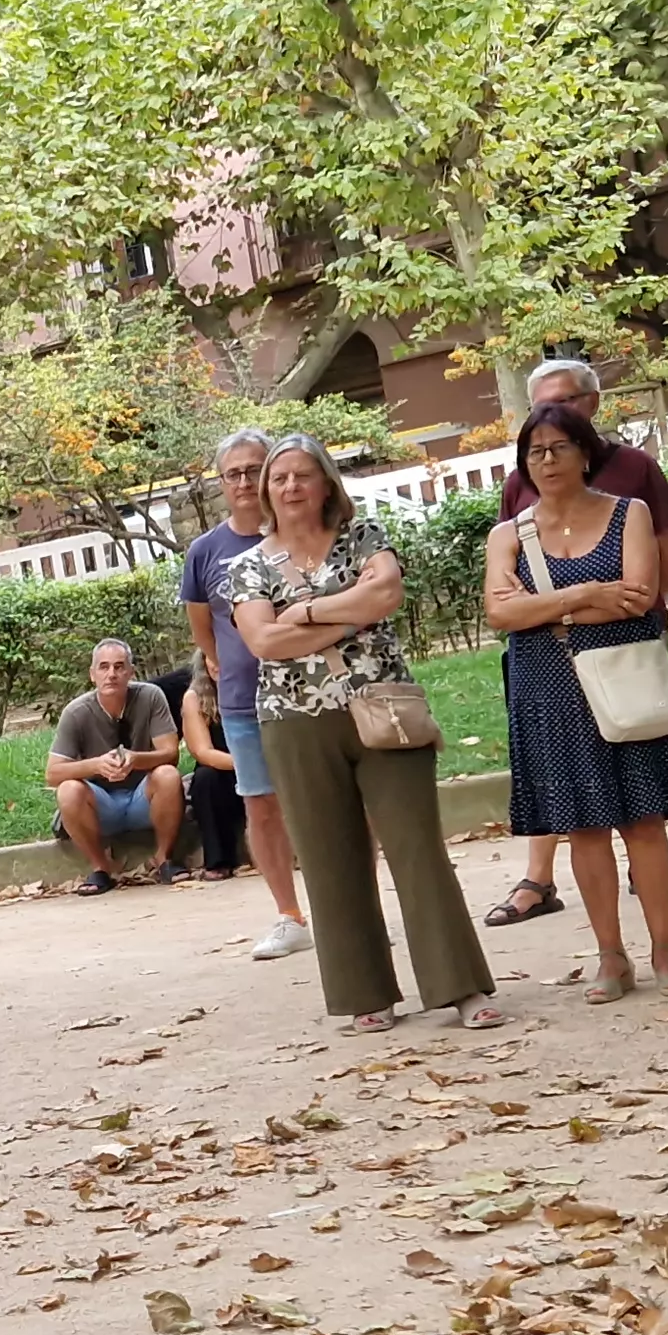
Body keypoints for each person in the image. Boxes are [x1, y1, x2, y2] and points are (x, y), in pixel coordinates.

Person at [226, 436, 507, 1032]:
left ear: (326, 483)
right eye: (279, 479)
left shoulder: (364, 537)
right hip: (294, 720)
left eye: (303, 476)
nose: (290, 487)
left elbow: (387, 593)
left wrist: (301, 613)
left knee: (416, 846)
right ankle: (365, 993)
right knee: (329, 859)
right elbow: (263, 643)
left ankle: (460, 987)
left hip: (384, 705)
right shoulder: (246, 566)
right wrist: (350, 613)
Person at [486, 403, 668, 1002]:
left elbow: (638, 598)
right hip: (547, 686)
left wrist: (541, 607)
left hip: (623, 675)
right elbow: (500, 614)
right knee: (582, 828)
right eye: (535, 451)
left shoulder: (628, 513)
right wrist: (587, 593)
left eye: (559, 446)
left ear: (586, 451)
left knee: (643, 820)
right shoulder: (508, 534)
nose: (547, 459)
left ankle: (666, 949)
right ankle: (610, 957)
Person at [180, 429, 313, 956]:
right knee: (261, 808)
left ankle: (347, 905)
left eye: (252, 469)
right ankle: (289, 915)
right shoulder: (204, 552)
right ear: (220, 483)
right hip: (242, 702)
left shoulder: (301, 535)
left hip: (310, 694)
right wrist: (221, 661)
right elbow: (202, 626)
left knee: (325, 803)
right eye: (231, 473)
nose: (243, 481)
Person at [46, 638, 184, 891]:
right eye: (104, 667)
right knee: (68, 790)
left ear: (130, 672)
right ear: (92, 674)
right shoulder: (76, 712)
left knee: (168, 774)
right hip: (101, 805)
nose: (112, 674)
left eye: (119, 667)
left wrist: (136, 759)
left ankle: (164, 858)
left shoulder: (151, 697)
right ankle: (101, 868)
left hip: (144, 798)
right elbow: (53, 773)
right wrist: (96, 766)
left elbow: (171, 753)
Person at [155, 663, 250, 878]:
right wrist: (246, 763)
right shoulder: (194, 697)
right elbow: (203, 752)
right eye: (211, 657)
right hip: (225, 770)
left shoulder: (258, 684)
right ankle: (218, 861)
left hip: (265, 764)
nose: (217, 663)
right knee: (205, 778)